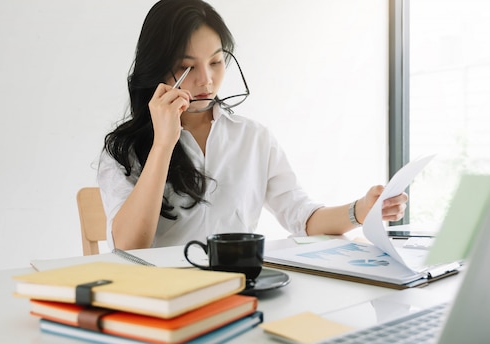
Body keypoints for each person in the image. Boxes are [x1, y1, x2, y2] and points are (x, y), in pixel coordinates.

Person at [98, 0, 408, 250]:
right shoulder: (123, 150)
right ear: (157, 67)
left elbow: (300, 216)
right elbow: (129, 246)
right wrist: (164, 144)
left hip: (236, 292)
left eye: (216, 62)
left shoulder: (253, 138)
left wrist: (359, 211)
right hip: (161, 303)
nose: (206, 79)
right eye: (186, 66)